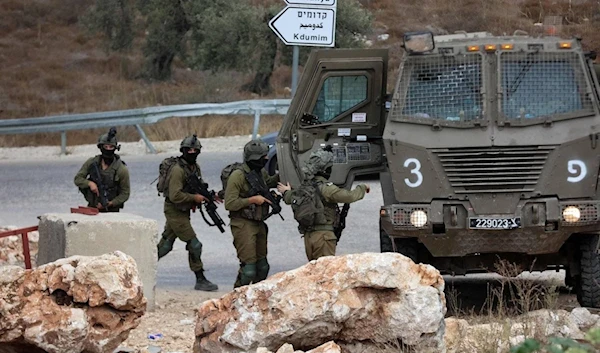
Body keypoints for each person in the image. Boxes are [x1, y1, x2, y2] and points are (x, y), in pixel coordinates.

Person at [277, 148, 369, 262]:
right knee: (325, 275)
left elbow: (289, 198)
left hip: (308, 238)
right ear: (325, 169)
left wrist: (286, 191)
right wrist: (362, 188)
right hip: (324, 238)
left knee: (314, 272)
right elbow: (350, 196)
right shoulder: (326, 188)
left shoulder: (304, 187)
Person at [156, 135, 220, 292]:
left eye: (195, 150)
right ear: (183, 151)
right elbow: (175, 195)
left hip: (183, 211)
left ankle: (139, 267)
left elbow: (197, 186)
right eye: (188, 150)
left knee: (165, 245)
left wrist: (209, 196)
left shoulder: (194, 167)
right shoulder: (178, 170)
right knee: (194, 244)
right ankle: (200, 279)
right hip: (175, 211)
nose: (192, 152)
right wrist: (194, 198)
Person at [224, 140, 280, 288]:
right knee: (248, 270)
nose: (266, 159)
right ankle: (235, 299)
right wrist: (252, 200)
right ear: (253, 158)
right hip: (242, 224)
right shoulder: (238, 176)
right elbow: (230, 203)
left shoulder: (259, 172)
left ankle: (254, 298)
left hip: (259, 222)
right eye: (263, 157)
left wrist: (284, 175)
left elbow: (269, 182)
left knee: (262, 268)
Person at [74, 127, 130, 212]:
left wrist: (110, 203)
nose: (108, 149)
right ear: (100, 147)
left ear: (115, 148)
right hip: (92, 208)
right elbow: (77, 179)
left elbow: (125, 193)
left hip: (112, 211)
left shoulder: (121, 169)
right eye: (105, 146)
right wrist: (90, 183)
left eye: (111, 147)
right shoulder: (92, 162)